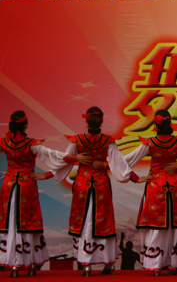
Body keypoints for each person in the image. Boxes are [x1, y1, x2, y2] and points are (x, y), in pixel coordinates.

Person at [0, 111, 90, 277]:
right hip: (26, 185)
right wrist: (75, 158)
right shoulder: (32, 144)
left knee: (11, 221)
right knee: (28, 222)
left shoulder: (4, 143)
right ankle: (31, 262)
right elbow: (53, 155)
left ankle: (13, 264)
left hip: (9, 185)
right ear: (26, 125)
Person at [124, 109, 177, 276]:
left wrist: (135, 178)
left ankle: (155, 265)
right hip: (173, 187)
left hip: (155, 187)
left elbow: (125, 161)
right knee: (175, 224)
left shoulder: (149, 143)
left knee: (156, 224)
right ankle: (176, 264)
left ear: (156, 125)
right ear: (170, 123)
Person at [59, 106, 134, 277]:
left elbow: (64, 158)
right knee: (103, 222)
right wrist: (105, 165)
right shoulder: (108, 141)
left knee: (85, 221)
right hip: (100, 185)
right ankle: (108, 263)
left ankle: (85, 262)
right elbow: (119, 164)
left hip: (82, 184)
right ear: (102, 120)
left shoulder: (77, 140)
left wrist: (76, 158)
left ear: (86, 120)